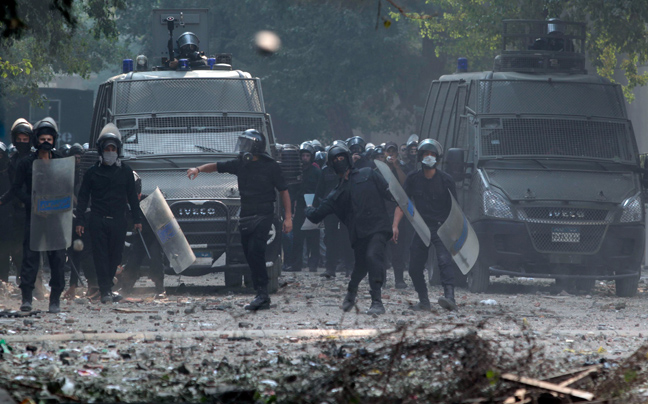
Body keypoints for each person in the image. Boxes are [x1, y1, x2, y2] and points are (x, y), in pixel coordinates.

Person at [186, 129, 292, 311]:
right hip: (246, 216)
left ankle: (263, 295)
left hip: (264, 215)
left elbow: (284, 191)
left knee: (257, 251)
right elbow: (217, 166)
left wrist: (288, 217)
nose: (242, 148)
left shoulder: (271, 166)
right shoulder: (240, 164)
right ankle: (259, 291)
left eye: (246, 144)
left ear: (255, 146)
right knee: (249, 255)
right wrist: (198, 169)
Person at [306, 143, 393, 315]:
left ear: (347, 158)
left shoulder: (368, 174)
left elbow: (390, 192)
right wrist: (307, 209)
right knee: (360, 266)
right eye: (335, 159)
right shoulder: (336, 194)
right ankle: (351, 292)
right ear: (331, 164)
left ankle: (377, 301)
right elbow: (316, 215)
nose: (339, 161)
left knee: (373, 258)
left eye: (341, 158)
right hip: (359, 234)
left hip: (378, 228)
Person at [75, 124, 143, 304]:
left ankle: (108, 287)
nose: (110, 152)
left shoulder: (126, 172)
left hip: (119, 221)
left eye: (113, 149)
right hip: (98, 220)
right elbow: (83, 198)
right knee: (101, 256)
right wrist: (80, 220)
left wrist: (137, 219)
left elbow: (132, 198)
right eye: (107, 149)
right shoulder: (92, 173)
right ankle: (105, 290)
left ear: (118, 150)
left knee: (115, 256)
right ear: (101, 150)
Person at [392, 139, 459, 311]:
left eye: (432, 154)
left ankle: (450, 297)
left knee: (444, 261)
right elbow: (403, 203)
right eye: (425, 154)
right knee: (414, 267)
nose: (429, 157)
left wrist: (454, 232)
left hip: (441, 227)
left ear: (437, 158)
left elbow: (455, 210)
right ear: (420, 157)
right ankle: (423, 300)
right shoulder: (413, 179)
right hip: (421, 227)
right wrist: (395, 225)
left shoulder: (446, 180)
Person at [10, 118, 67, 313]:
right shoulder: (27, 163)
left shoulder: (60, 160)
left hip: (56, 219)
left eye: (49, 139)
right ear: (36, 139)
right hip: (34, 219)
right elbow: (17, 189)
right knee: (30, 259)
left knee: (58, 260)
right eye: (42, 138)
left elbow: (67, 186)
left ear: (54, 140)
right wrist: (34, 203)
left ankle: (55, 300)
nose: (46, 142)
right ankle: (27, 298)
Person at [116, 172, 165, 296]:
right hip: (137, 238)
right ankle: (126, 288)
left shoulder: (149, 201)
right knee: (133, 261)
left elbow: (161, 222)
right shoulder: (123, 205)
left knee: (155, 259)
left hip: (152, 237)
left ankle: (160, 288)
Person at [285, 141, 322, 272]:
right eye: (303, 155)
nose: (305, 158)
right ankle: (297, 264)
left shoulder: (316, 172)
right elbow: (292, 190)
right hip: (300, 207)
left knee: (313, 237)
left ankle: (313, 265)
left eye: (307, 155)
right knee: (298, 237)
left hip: (313, 207)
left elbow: (320, 189)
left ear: (311, 157)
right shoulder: (296, 172)